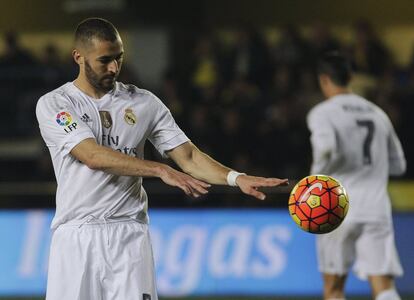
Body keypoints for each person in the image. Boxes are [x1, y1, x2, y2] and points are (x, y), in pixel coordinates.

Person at [35, 17, 288, 300]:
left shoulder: (143, 103)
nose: (114, 68)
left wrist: (235, 178)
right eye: (104, 60)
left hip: (129, 235)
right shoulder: (55, 104)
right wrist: (158, 169)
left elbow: (189, 156)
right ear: (78, 57)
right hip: (76, 236)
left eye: (118, 58)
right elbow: (91, 155)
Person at [307, 52, 406, 300]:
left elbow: (326, 147)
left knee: (334, 287)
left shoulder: (322, 112)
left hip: (335, 206)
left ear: (324, 79)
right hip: (376, 207)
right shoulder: (377, 113)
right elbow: (399, 166)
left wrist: (313, 180)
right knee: (384, 285)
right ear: (350, 77)